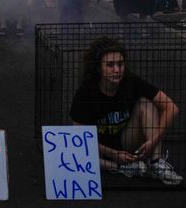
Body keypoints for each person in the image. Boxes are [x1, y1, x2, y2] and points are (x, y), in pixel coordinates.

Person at [70, 37, 183, 185]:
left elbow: (171, 108)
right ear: (98, 68)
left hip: (125, 141)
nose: (117, 70)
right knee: (76, 154)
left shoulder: (130, 82)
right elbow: (79, 137)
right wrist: (113, 154)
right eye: (110, 65)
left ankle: (156, 163)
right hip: (97, 148)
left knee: (145, 104)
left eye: (120, 64)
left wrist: (153, 142)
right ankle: (121, 167)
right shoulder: (85, 92)